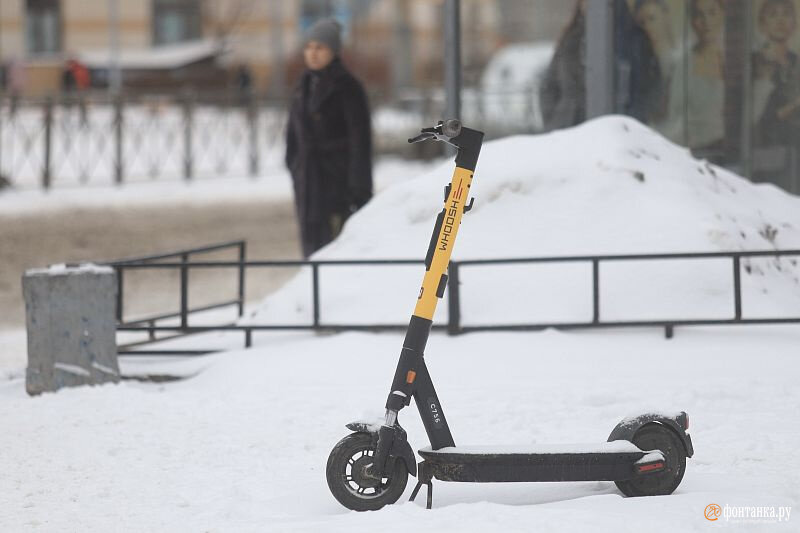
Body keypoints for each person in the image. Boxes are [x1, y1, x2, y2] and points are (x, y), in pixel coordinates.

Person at [285, 18, 373, 258]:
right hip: (308, 183)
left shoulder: (348, 86)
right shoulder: (302, 86)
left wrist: (358, 189)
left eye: (320, 48)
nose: (312, 54)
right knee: (311, 247)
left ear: (333, 51)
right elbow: (292, 135)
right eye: (309, 47)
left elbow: (360, 141)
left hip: (338, 184)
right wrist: (295, 166)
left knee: (336, 249)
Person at [753, 0, 800, 148]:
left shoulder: (795, 61)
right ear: (762, 24)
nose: (781, 21)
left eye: (786, 14)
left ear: (795, 23)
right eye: (773, 15)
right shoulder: (755, 62)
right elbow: (755, 117)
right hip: (766, 148)